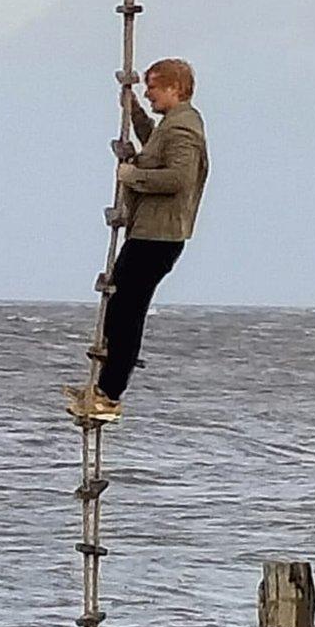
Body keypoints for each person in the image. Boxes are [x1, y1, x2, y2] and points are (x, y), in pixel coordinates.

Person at [66, 58, 209, 423]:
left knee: (126, 312)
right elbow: (155, 146)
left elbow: (178, 177)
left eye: (154, 88)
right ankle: (103, 389)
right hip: (149, 231)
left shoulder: (184, 129)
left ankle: (110, 395)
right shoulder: (173, 125)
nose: (150, 94)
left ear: (176, 89)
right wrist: (135, 113)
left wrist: (132, 176)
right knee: (120, 305)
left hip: (158, 235)